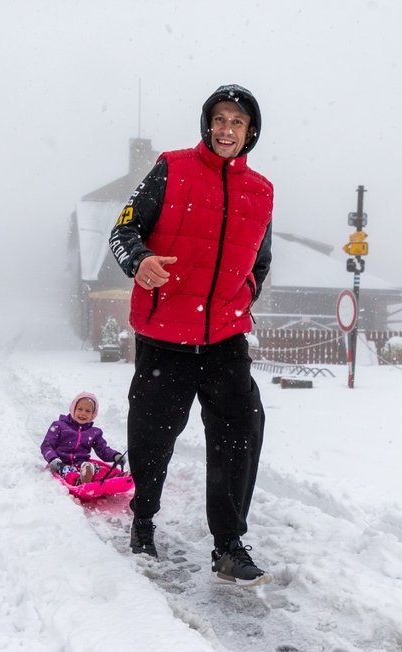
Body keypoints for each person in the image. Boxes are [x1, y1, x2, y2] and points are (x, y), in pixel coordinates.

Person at [107, 84, 273, 585]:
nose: (227, 130)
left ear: (250, 133)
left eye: (237, 123)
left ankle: (228, 545)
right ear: (208, 124)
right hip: (165, 336)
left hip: (225, 337)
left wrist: (243, 296)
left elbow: (260, 262)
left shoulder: (261, 190)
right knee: (153, 437)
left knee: (239, 431)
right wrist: (140, 262)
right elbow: (123, 231)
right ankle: (143, 521)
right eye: (220, 119)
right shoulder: (172, 168)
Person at [41, 391, 123, 485]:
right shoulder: (59, 426)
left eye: (88, 411)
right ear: (73, 409)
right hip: (62, 463)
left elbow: (103, 450)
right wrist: (52, 458)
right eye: (80, 409)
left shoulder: (94, 432)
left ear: (93, 415)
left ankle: (116, 477)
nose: (83, 413)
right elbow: (47, 445)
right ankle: (78, 481)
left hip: (82, 463)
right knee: (68, 473)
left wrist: (115, 455)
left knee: (99, 470)